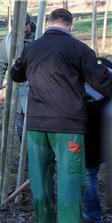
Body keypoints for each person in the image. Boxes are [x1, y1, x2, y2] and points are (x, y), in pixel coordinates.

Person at [10, 8, 112, 223]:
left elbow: (16, 75)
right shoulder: (79, 49)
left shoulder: (32, 48)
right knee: (70, 183)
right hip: (68, 128)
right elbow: (103, 83)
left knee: (40, 182)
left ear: (48, 23)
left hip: (36, 126)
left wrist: (16, 65)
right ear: (70, 26)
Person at [0, 13, 35, 141]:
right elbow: (1, 64)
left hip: (35, 93)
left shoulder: (39, 38)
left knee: (34, 131)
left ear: (29, 24)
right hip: (17, 93)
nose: (24, 31)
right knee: (21, 128)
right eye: (21, 29)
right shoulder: (7, 40)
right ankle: (25, 159)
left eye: (26, 27)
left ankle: (34, 158)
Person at [83, 58, 112, 223]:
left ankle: (93, 216)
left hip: (92, 131)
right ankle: (93, 216)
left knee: (89, 174)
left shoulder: (81, 81)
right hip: (96, 132)